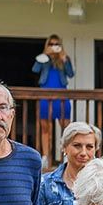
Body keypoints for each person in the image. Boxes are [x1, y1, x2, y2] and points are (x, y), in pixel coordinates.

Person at [32, 122, 101, 205]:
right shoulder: (45, 184)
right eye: (77, 145)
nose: (83, 153)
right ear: (64, 147)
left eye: (89, 147)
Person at [32, 35, 75, 167]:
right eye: (51, 43)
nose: (54, 46)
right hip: (45, 96)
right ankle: (46, 157)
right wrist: (45, 56)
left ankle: (67, 155)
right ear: (47, 45)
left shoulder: (64, 58)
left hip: (61, 97)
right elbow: (35, 69)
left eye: (56, 43)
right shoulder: (43, 58)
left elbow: (71, 74)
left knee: (66, 128)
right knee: (46, 129)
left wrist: (64, 59)